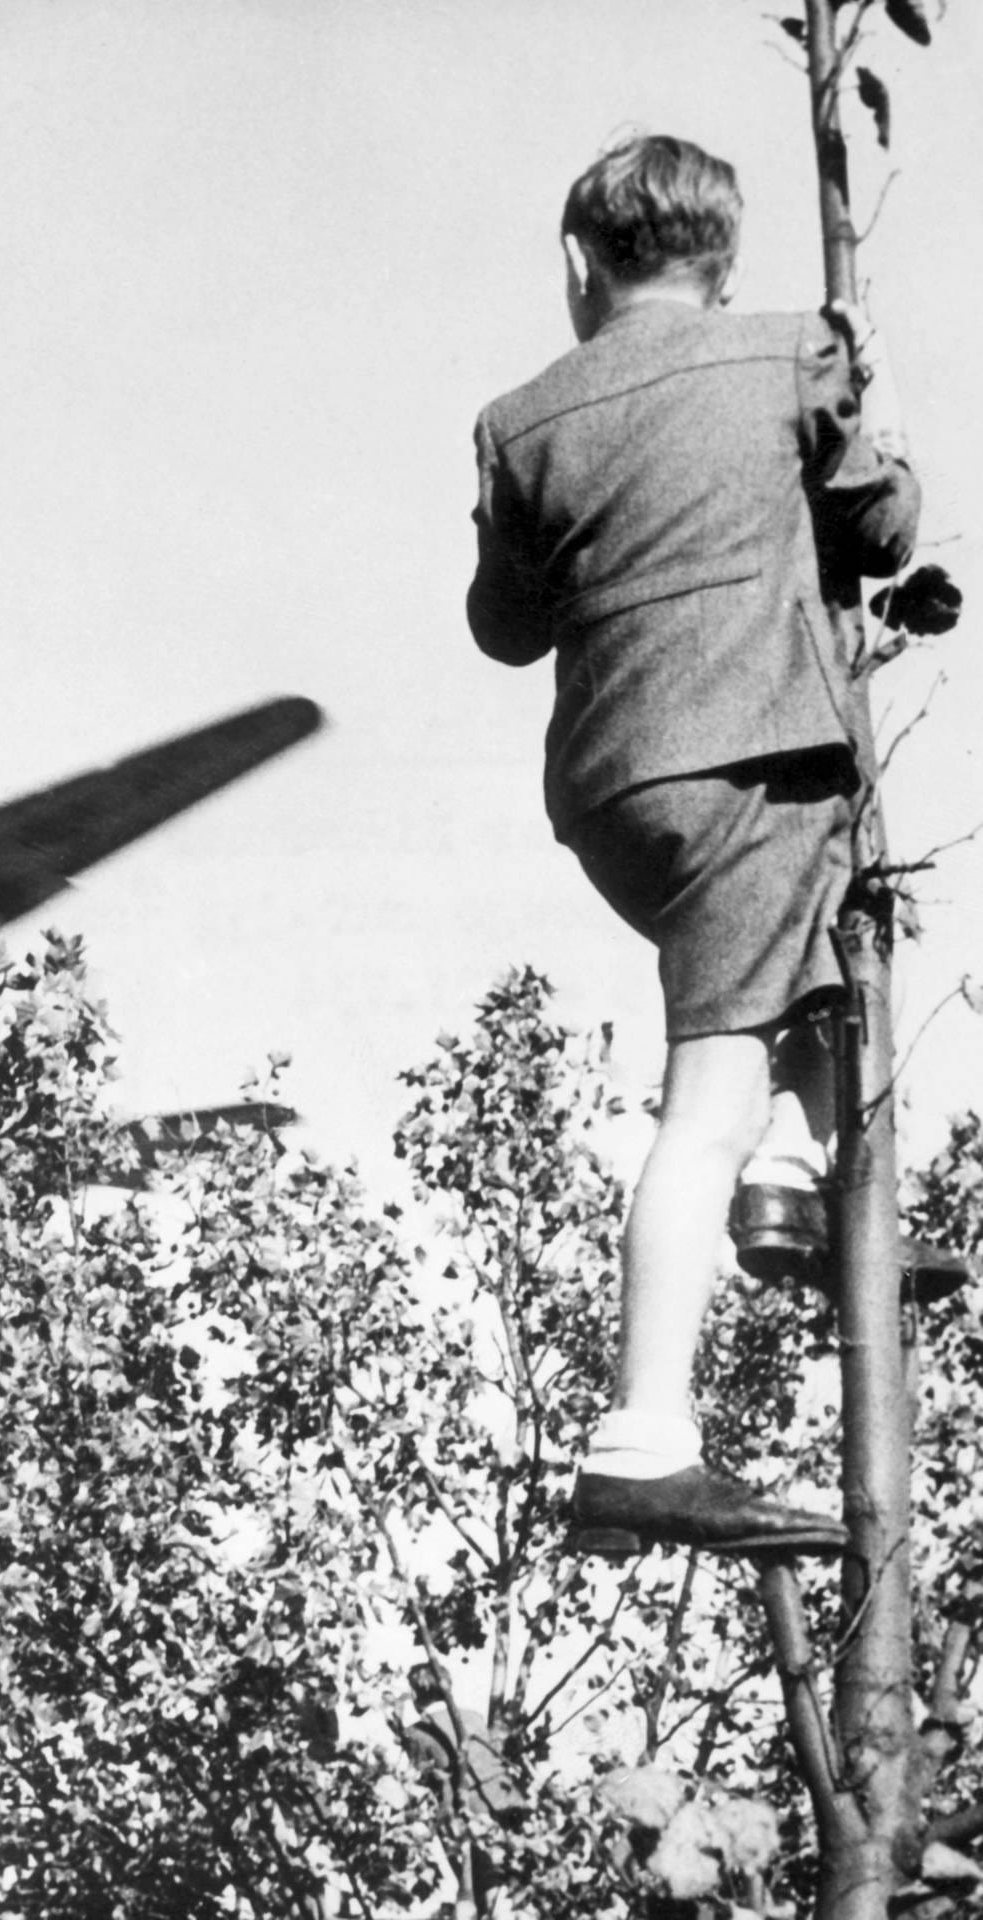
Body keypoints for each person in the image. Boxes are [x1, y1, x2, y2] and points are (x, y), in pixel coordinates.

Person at [466, 133, 919, 1557]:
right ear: (722, 264)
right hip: (751, 758)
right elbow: (886, 526)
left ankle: (795, 1187)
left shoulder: (519, 420)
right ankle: (641, 1440)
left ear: (576, 265)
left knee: (815, 962)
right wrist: (870, 397)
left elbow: (504, 627)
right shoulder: (793, 352)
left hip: (614, 794)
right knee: (708, 1092)